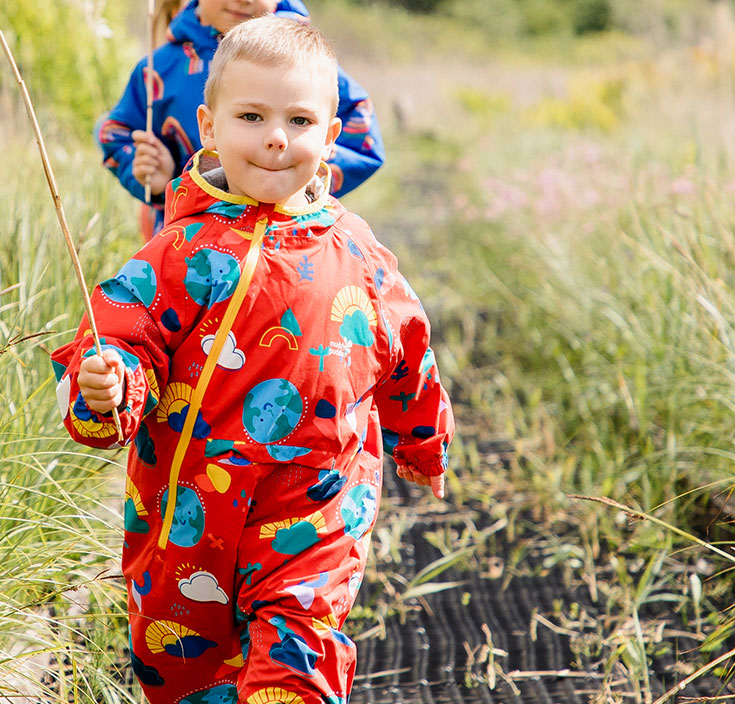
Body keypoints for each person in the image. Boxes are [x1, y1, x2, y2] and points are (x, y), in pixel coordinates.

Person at [51, 17, 450, 703]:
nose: (276, 137)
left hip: (316, 507)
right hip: (189, 511)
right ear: (208, 127)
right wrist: (107, 380)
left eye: (300, 120)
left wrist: (423, 440)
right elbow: (124, 329)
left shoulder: (357, 251)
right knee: (186, 671)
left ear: (331, 137)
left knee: (297, 658)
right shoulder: (181, 251)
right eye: (252, 116)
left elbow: (408, 348)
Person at [98, 0, 385, 237]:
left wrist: (299, 177)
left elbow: (362, 140)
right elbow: (115, 134)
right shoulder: (159, 69)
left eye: (298, 120)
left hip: (292, 237)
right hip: (187, 242)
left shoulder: (304, 62)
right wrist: (157, 181)